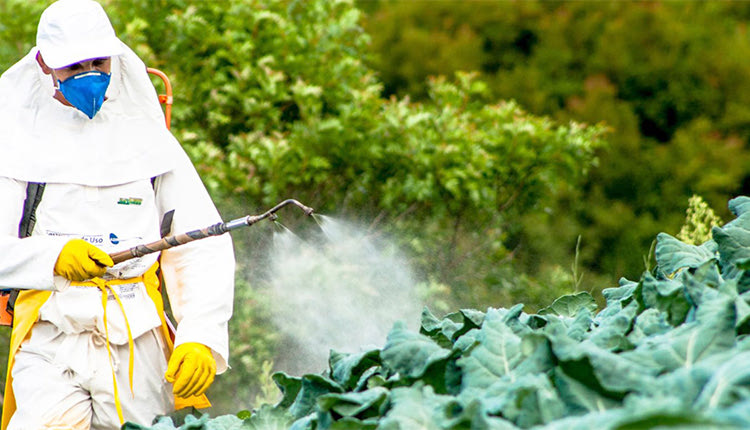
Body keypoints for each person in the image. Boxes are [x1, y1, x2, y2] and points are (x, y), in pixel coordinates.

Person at [0, 0, 235, 428]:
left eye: (98, 61)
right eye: (75, 66)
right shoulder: (15, 136)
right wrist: (51, 258)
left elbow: (202, 243)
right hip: (53, 332)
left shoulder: (144, 133)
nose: (90, 74)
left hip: (138, 336)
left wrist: (200, 335)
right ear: (44, 64)